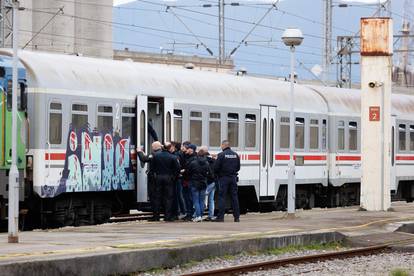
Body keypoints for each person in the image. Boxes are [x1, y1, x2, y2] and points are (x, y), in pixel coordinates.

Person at [150, 142, 180, 222]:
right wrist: (173, 177)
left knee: (157, 197)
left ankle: (156, 216)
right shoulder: (173, 157)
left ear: (163, 147)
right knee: (169, 198)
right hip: (169, 178)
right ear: (170, 148)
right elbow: (177, 169)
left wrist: (154, 177)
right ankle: (167, 216)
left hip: (158, 177)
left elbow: (152, 169)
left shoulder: (155, 156)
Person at [214, 140, 241, 222]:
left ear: (223, 145)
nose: (221, 147)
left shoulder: (221, 155)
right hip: (233, 178)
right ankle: (236, 217)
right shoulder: (235, 155)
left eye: (221, 145)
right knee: (234, 197)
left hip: (223, 178)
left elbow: (216, 167)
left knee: (222, 197)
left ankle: (221, 217)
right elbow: (238, 168)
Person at [137, 141, 162, 221]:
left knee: (154, 197)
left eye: (152, 146)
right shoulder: (164, 154)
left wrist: (139, 152)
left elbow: (144, 159)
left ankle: (156, 216)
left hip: (154, 179)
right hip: (162, 178)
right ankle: (167, 215)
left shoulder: (154, 154)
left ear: (155, 147)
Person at [186, 145, 210, 222]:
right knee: (201, 201)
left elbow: (188, 172)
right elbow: (209, 173)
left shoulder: (193, 163)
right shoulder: (206, 163)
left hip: (194, 183)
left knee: (196, 200)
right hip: (203, 183)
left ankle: (198, 216)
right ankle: (201, 216)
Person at [198, 146, 216, 221]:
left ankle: (199, 214)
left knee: (202, 197)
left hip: (206, 181)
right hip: (213, 181)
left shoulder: (203, 161)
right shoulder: (213, 160)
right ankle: (211, 215)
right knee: (211, 199)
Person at [181, 142, 195, 221]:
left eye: (188, 149)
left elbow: (189, 169)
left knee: (189, 198)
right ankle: (188, 213)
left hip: (189, 180)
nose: (186, 150)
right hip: (186, 180)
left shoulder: (192, 158)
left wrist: (184, 171)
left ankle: (190, 214)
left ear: (191, 150)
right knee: (186, 198)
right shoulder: (187, 156)